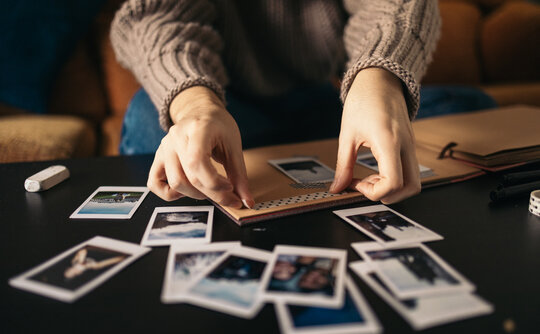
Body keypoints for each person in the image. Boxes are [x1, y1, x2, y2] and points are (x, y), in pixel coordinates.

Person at [110, 0, 494, 209]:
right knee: (149, 118)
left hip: (322, 101)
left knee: (479, 110)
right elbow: (155, 16)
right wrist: (195, 106)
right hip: (222, 106)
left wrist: (378, 81)